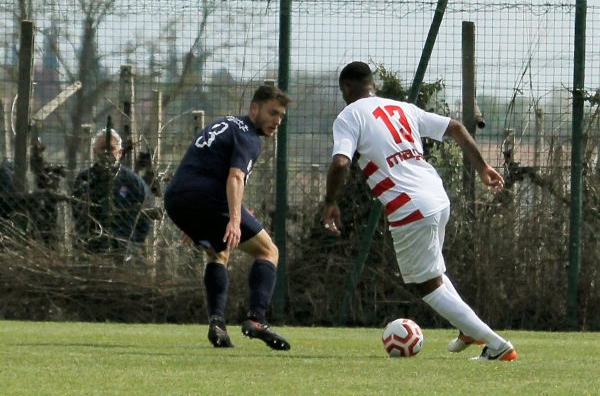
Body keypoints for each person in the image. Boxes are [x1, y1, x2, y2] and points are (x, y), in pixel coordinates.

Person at [322, 61, 517, 362]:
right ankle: (467, 329)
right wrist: (482, 167)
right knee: (435, 273)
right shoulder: (403, 108)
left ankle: (496, 344)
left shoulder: (349, 116)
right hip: (437, 196)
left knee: (424, 284)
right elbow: (455, 127)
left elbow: (340, 163)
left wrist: (330, 202)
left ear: (346, 88)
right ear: (372, 84)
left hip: (408, 205)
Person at [164, 85, 291, 350]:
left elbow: (198, 164)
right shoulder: (248, 137)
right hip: (209, 198)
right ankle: (256, 319)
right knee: (268, 251)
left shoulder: (224, 124)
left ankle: (218, 324)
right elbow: (235, 177)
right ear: (254, 108)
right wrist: (234, 220)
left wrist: (191, 218)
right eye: (273, 113)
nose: (277, 121)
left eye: (281, 116)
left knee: (218, 253)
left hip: (177, 198)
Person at [71, 128, 151, 257]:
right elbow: (76, 212)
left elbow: (145, 217)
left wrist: (132, 245)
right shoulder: (85, 179)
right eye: (103, 148)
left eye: (111, 148)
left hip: (123, 247)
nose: (107, 153)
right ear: (94, 151)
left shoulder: (133, 182)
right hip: (91, 246)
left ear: (120, 152)